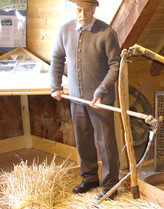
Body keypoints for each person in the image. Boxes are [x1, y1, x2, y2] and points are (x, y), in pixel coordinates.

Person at [50, 0, 121, 201]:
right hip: (76, 99)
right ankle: (90, 178)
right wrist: (55, 85)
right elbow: (56, 58)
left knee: (106, 144)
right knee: (83, 141)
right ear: (74, 10)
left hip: (101, 100)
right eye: (79, 10)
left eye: (87, 10)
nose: (83, 14)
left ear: (94, 9)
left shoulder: (107, 33)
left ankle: (109, 185)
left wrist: (101, 89)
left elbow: (115, 65)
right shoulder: (65, 30)